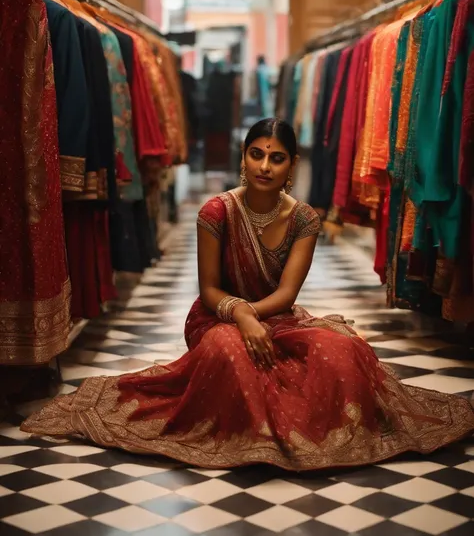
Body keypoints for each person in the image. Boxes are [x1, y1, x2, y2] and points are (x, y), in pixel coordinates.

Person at [22, 118, 474, 470]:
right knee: (227, 352)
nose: (264, 166)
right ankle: (255, 427)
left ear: (292, 165)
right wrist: (240, 317)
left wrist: (256, 317)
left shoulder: (304, 220)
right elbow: (209, 289)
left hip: (278, 316)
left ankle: (308, 430)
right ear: (244, 156)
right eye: (256, 154)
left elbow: (288, 293)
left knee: (343, 350)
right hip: (217, 318)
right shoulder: (217, 210)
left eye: (276, 158)